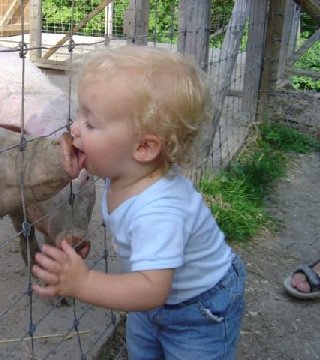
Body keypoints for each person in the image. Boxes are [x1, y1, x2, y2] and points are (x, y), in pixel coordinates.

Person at [32, 45, 246, 359]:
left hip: (199, 309)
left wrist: (84, 282)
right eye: (79, 113)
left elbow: (151, 289)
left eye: (90, 124)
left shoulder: (159, 211)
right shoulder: (126, 172)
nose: (74, 128)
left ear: (144, 147)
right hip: (152, 302)